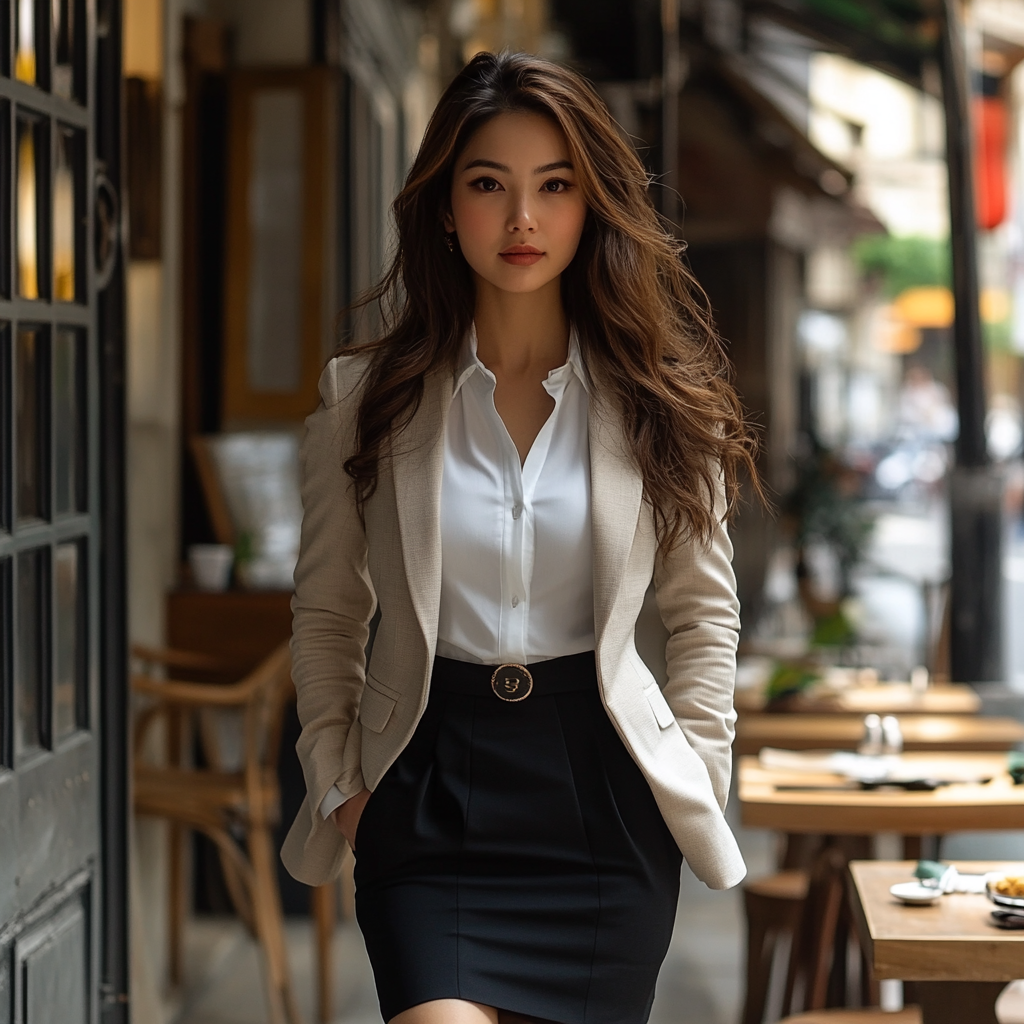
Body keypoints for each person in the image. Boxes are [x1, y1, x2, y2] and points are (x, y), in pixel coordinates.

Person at [282, 50, 759, 1024]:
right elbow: (330, 607)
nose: (522, 219)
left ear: (592, 207)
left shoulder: (663, 402)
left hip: (601, 799)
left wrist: (692, 776)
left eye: (554, 186)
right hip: (427, 786)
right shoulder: (363, 399)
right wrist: (339, 783)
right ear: (445, 208)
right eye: (488, 184)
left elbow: (703, 612)